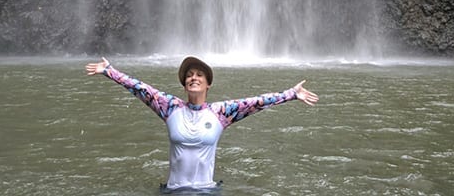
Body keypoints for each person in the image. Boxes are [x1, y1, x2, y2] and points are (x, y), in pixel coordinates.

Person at [85, 55, 319, 193]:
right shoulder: (170, 107)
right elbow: (140, 88)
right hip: (173, 191)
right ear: (185, 83)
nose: (193, 78)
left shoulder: (222, 113)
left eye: (199, 75)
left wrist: (291, 94)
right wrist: (109, 71)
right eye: (189, 75)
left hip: (207, 191)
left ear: (208, 84)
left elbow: (256, 103)